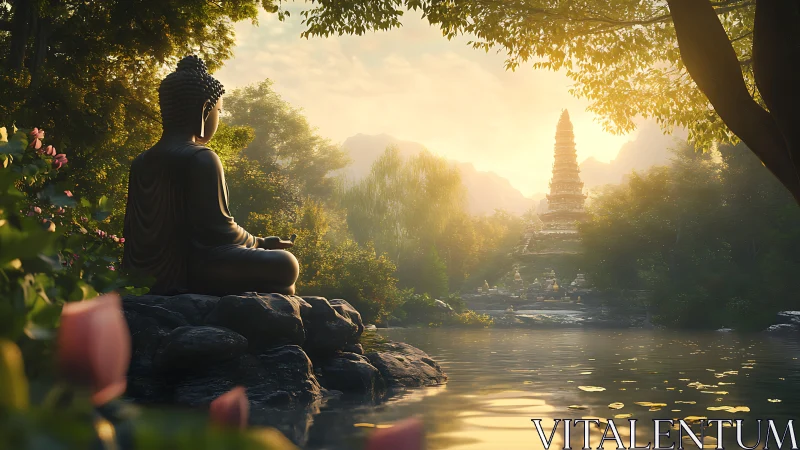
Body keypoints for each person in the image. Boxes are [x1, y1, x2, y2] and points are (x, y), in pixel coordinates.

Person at [122, 55, 299, 296]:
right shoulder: (201, 158)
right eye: (219, 110)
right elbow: (219, 233)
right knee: (286, 265)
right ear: (205, 110)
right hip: (196, 271)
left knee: (279, 276)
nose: (218, 116)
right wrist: (260, 243)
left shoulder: (141, 162)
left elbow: (132, 235)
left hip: (144, 273)